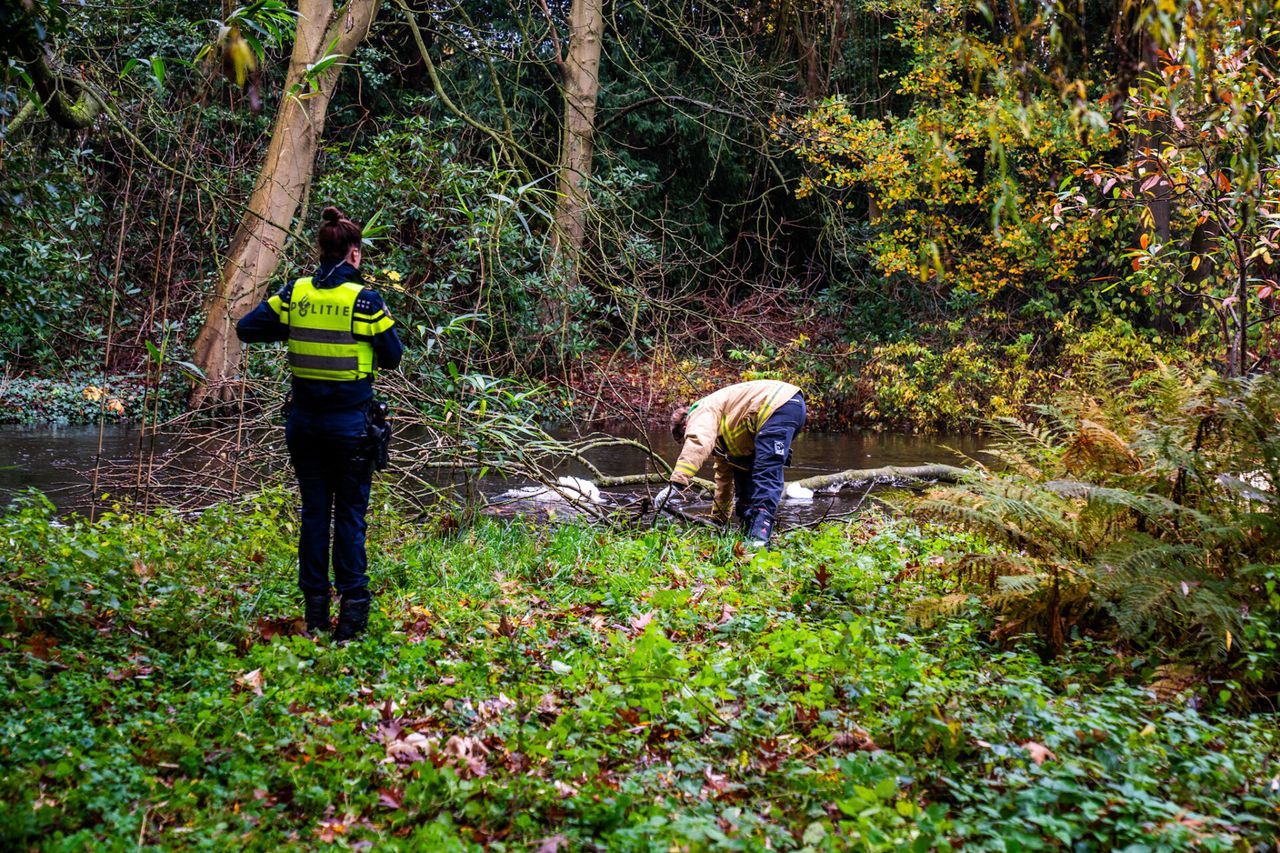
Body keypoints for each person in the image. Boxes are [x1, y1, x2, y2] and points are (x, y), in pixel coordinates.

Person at [235, 206, 403, 641]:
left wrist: (293, 328)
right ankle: (351, 619)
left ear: (320, 251)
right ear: (354, 254)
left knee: (314, 515)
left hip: (305, 426)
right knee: (349, 517)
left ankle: (314, 616)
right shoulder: (365, 301)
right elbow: (393, 357)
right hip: (351, 429)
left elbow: (247, 329)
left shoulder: (295, 294)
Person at [655, 379, 806, 547]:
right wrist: (718, 521)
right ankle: (748, 532)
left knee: (765, 472)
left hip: (778, 406)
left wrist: (677, 484)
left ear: (685, 427)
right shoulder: (723, 439)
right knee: (742, 470)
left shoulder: (701, 411)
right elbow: (724, 482)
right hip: (784, 409)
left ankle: (759, 539)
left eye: (685, 439)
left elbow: (698, 442)